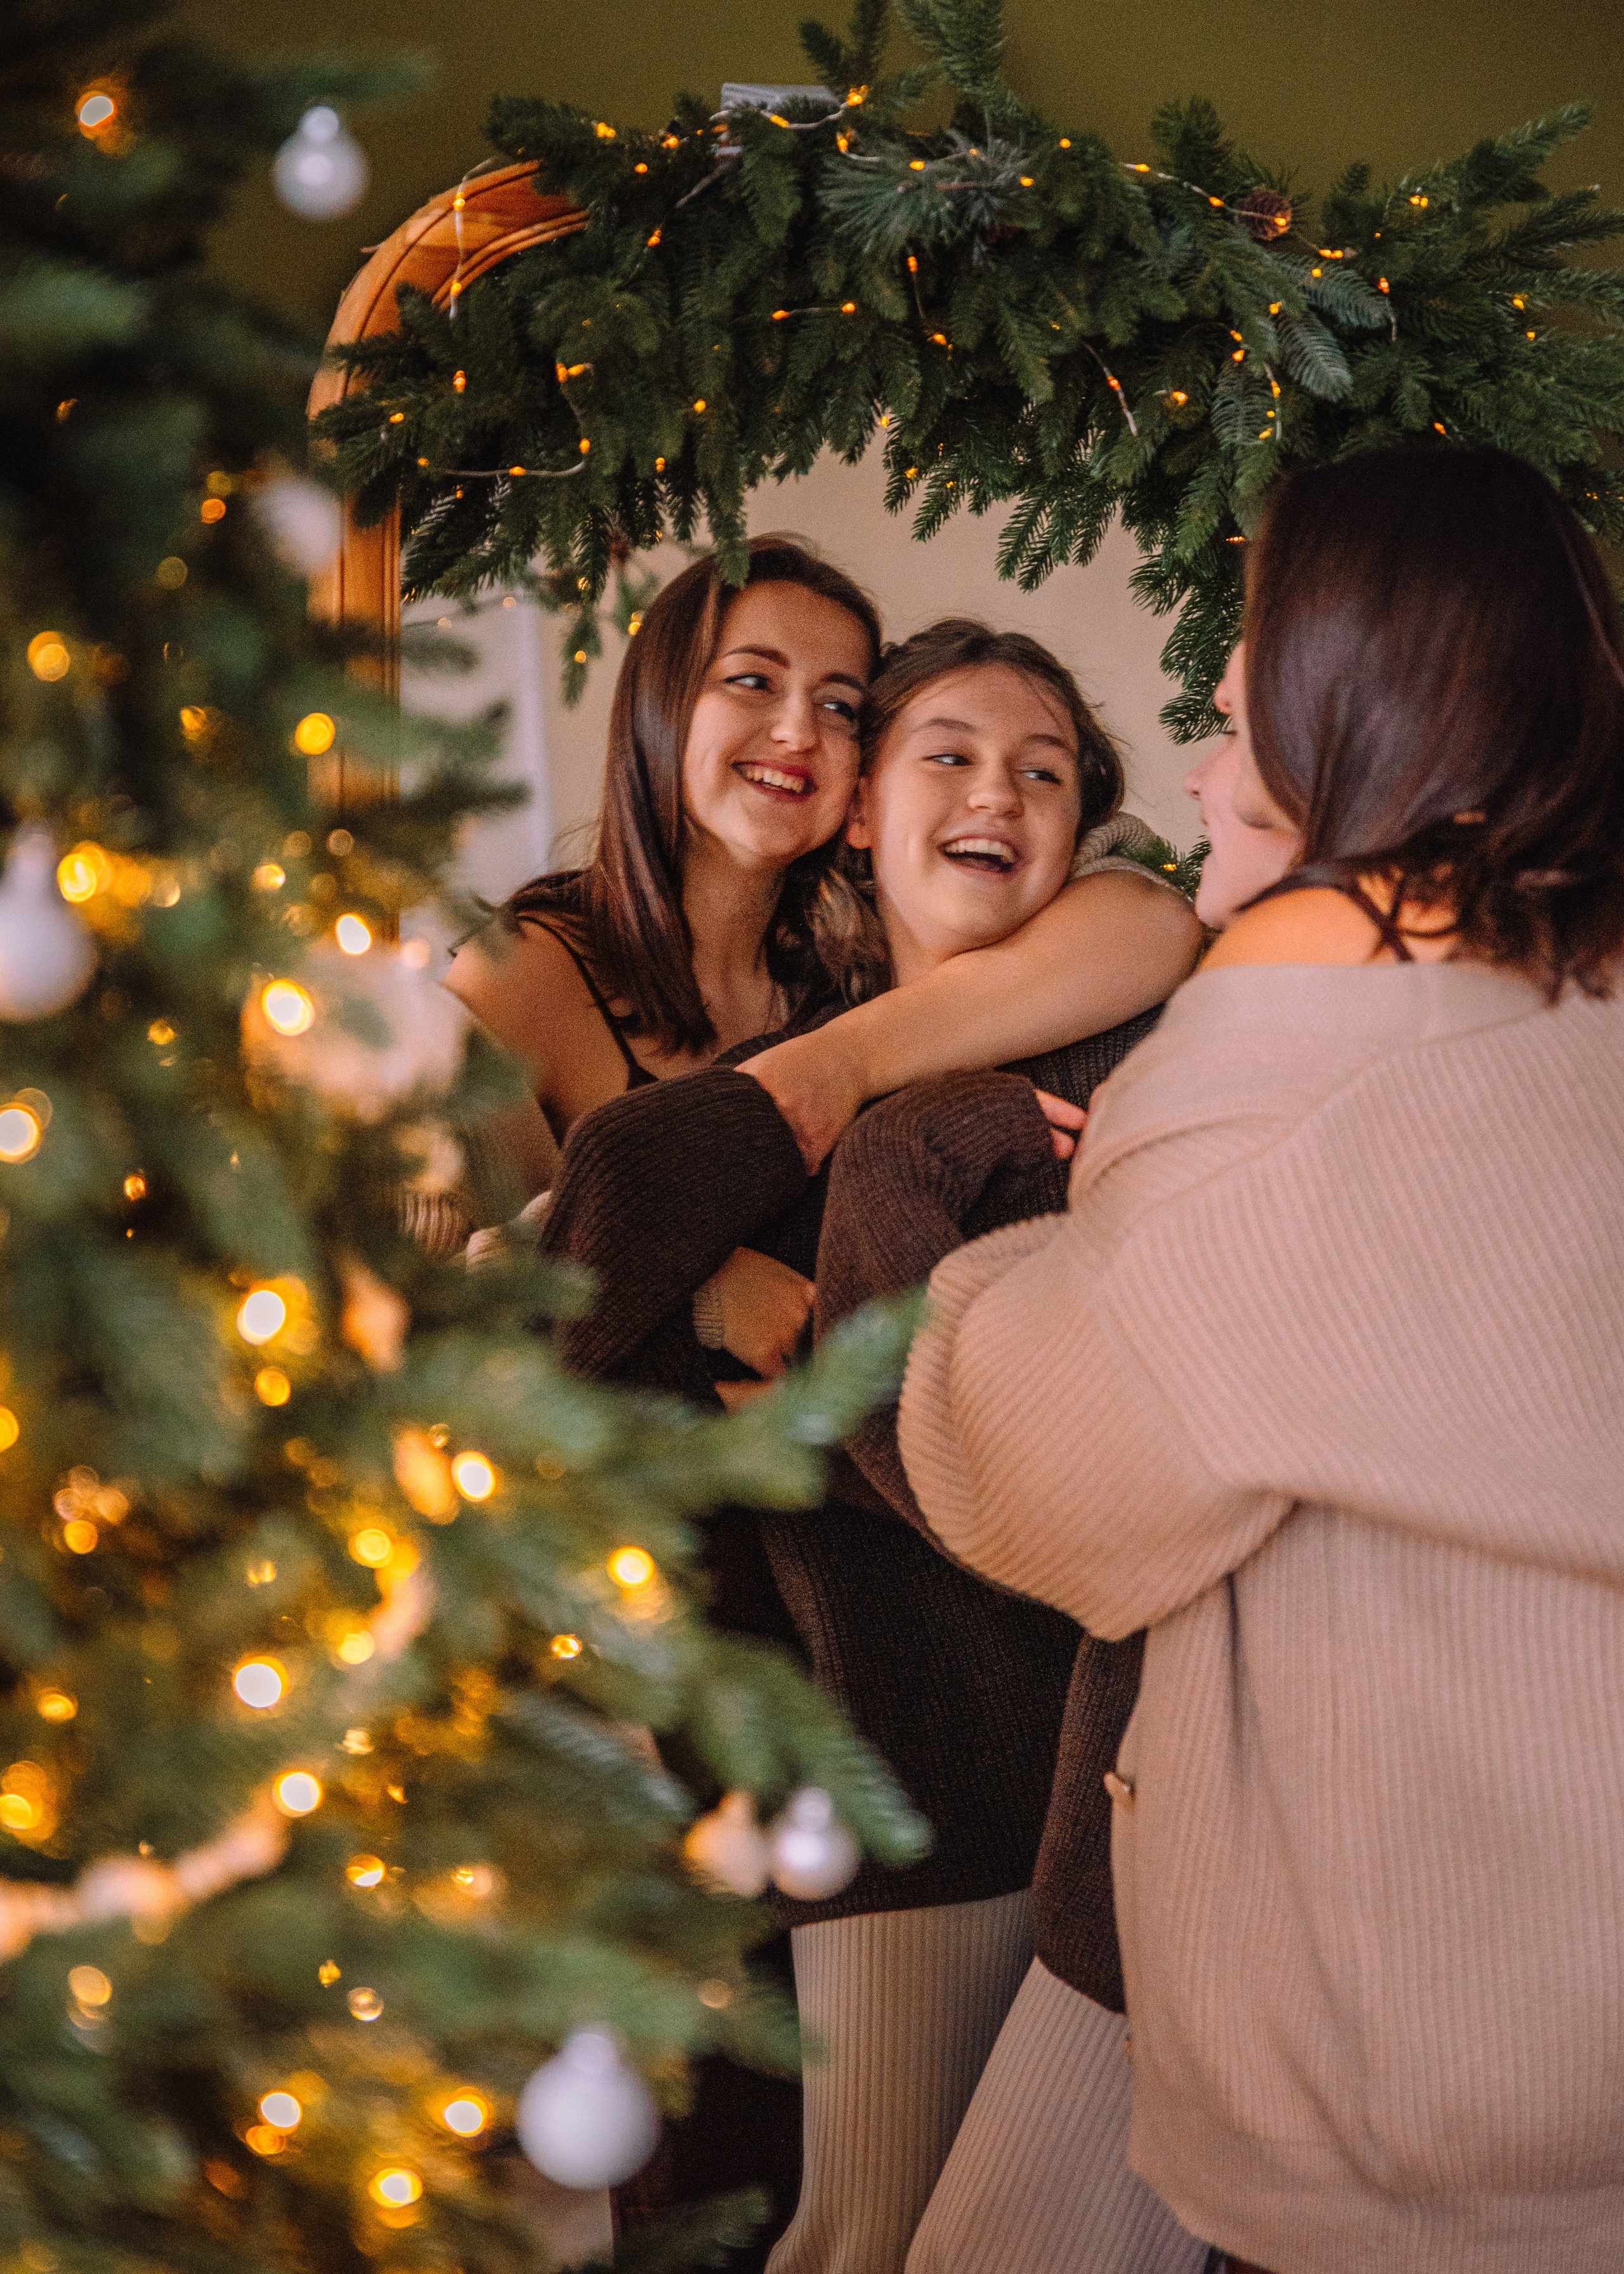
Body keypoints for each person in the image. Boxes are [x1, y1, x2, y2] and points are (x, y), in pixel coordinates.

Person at [898, 445, 1624, 2274]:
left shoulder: (1294, 1067)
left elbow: (1034, 1476)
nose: (1205, 778)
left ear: (1355, 736)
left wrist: (1018, 1265)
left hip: (1448, 2111)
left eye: (1233, 726)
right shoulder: (1578, 1002)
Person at [539, 619, 1195, 2274]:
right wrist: (703, 1296)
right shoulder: (799, 1081)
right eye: (951, 755)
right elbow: (587, 1254)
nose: (1000, 792)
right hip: (852, 1777)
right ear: (861, 818)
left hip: (1057, 1772)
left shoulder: (1116, 1061)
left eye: (1046, 771)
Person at [445, 538, 1200, 1197]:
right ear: (662, 701)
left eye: (839, 706)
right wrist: (711, 1292)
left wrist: (843, 1059)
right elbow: (473, 1282)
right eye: (753, 681)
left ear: (863, 788)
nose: (797, 730)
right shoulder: (522, 972)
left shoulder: (875, 932)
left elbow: (1145, 917)